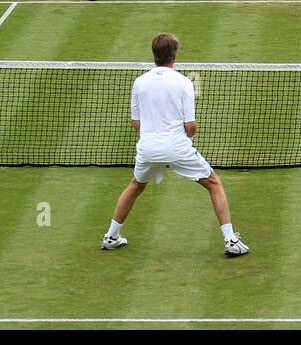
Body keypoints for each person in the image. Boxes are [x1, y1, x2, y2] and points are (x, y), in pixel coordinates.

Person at [100, 32, 249, 257]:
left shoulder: (139, 82)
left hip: (148, 147)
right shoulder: (184, 82)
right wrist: (184, 141)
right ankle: (230, 240)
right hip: (177, 147)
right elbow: (191, 126)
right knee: (214, 184)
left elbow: (136, 123)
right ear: (174, 55)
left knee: (136, 185)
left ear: (155, 55)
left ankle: (111, 236)